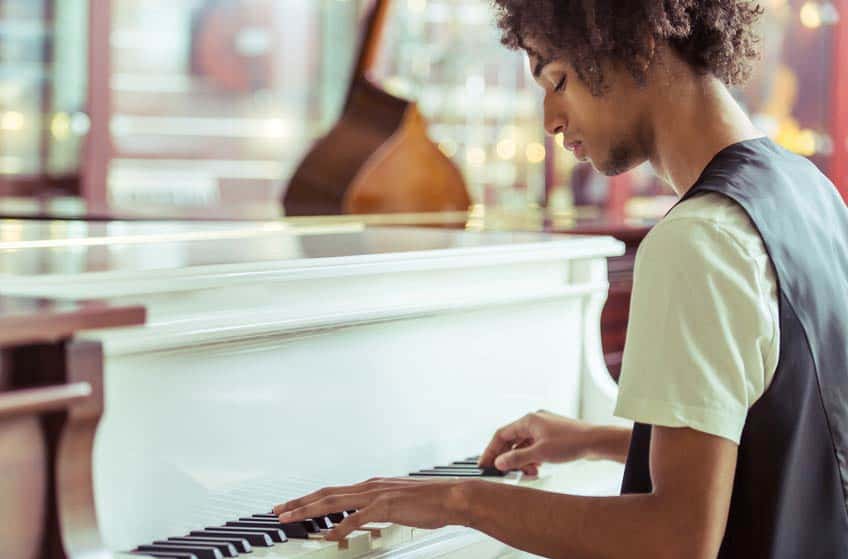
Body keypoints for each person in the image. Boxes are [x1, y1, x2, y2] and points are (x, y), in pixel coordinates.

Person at [274, 2, 848, 557]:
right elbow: (785, 450)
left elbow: (674, 539)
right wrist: (595, 440)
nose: (549, 119)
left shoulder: (700, 239)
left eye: (558, 80)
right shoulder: (811, 194)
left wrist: (459, 498)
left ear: (635, 43)